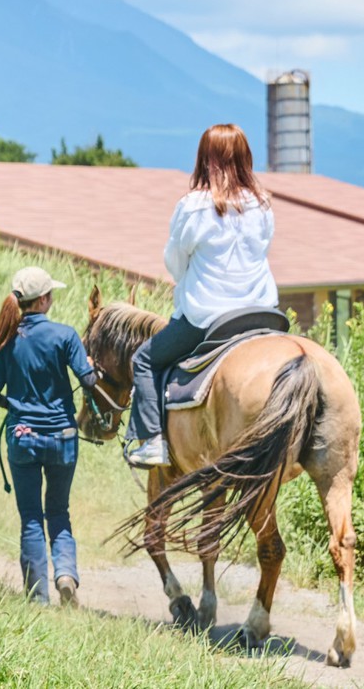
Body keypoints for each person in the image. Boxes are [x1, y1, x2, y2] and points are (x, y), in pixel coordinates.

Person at [126, 123, 278, 468]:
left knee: (145, 361)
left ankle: (151, 441)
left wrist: (188, 280)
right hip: (262, 312)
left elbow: (175, 262)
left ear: (206, 160)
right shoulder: (262, 205)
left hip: (208, 318)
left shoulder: (194, 206)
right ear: (244, 158)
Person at [0, 266, 101, 607]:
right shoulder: (65, 336)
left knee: (32, 517)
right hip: (63, 436)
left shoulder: (5, 340)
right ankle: (65, 574)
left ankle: (37, 598)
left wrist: (16, 408)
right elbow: (90, 382)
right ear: (46, 299)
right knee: (59, 511)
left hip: (22, 437)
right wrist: (90, 365)